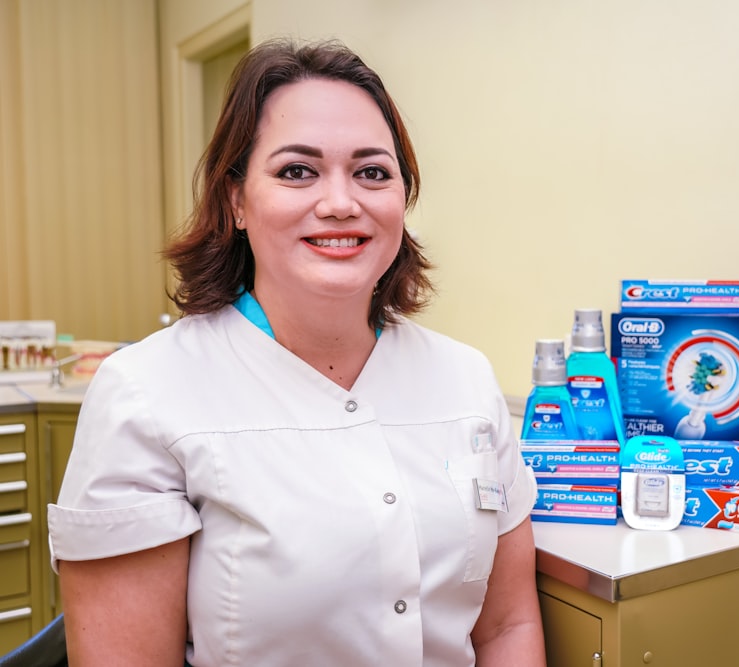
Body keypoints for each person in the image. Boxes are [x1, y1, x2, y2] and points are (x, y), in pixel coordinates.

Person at [48, 38, 545, 667]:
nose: (341, 202)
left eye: (372, 172)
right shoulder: (146, 394)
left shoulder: (465, 380)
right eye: (296, 171)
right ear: (236, 202)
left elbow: (506, 628)